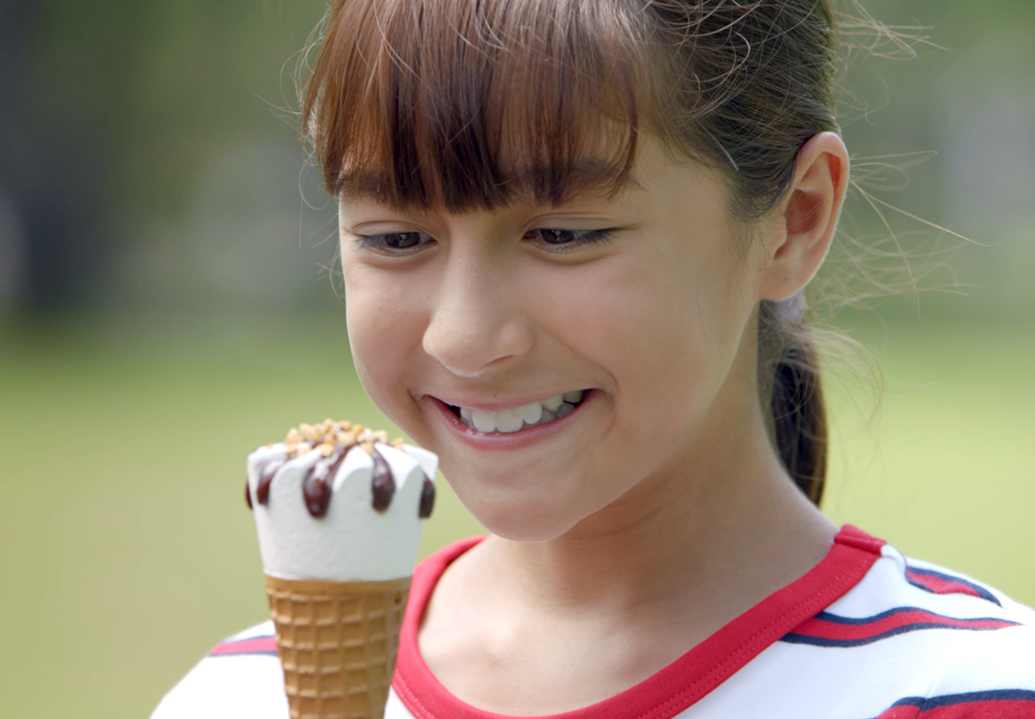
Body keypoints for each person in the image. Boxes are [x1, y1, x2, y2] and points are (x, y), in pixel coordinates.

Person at [154, 0, 1035, 716]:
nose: (462, 336)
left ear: (795, 219)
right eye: (394, 237)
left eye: (566, 233)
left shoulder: (967, 691)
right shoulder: (240, 697)